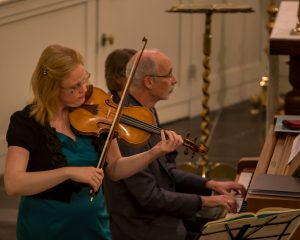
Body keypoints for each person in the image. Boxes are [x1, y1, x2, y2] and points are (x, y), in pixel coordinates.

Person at [4, 44, 183, 240]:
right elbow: (13, 183)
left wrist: (153, 153)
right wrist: (68, 172)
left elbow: (115, 168)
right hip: (46, 228)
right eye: (75, 87)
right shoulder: (26, 122)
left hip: (93, 225)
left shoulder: (95, 114)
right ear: (52, 88)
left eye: (85, 80)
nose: (84, 90)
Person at [103, 49, 247, 240]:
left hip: (160, 216)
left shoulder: (147, 112)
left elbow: (166, 171)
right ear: (149, 82)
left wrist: (209, 184)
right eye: (169, 74)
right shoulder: (127, 127)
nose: (175, 80)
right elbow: (149, 196)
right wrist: (206, 200)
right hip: (141, 228)